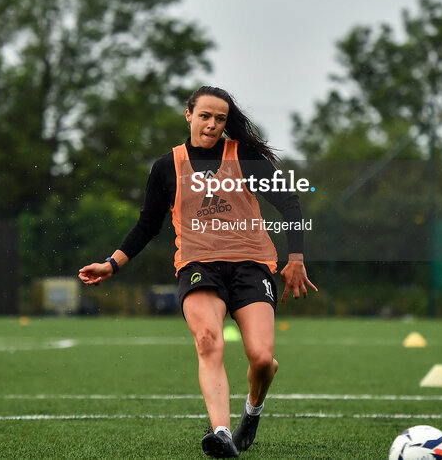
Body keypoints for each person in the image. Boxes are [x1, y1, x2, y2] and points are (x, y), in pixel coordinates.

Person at [79, 86, 317, 458]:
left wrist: (296, 258)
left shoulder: (244, 156)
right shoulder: (166, 166)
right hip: (198, 266)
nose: (212, 125)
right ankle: (221, 433)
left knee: (261, 359)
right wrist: (112, 263)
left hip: (252, 265)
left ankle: (251, 413)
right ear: (188, 114)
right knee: (208, 340)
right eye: (205, 116)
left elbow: (289, 201)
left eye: (220, 119)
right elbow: (147, 224)